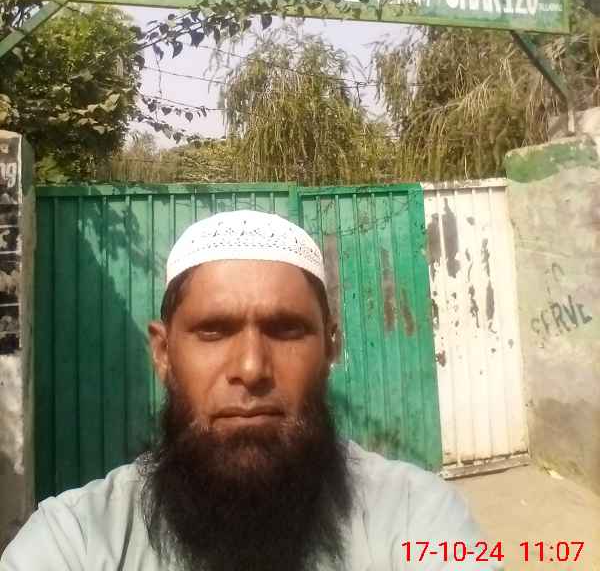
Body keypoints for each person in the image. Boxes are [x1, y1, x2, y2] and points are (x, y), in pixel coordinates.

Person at [0, 209, 502, 571]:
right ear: (163, 352)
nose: (251, 368)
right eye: (214, 331)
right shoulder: (75, 539)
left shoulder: (417, 516)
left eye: (286, 330)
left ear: (330, 347)